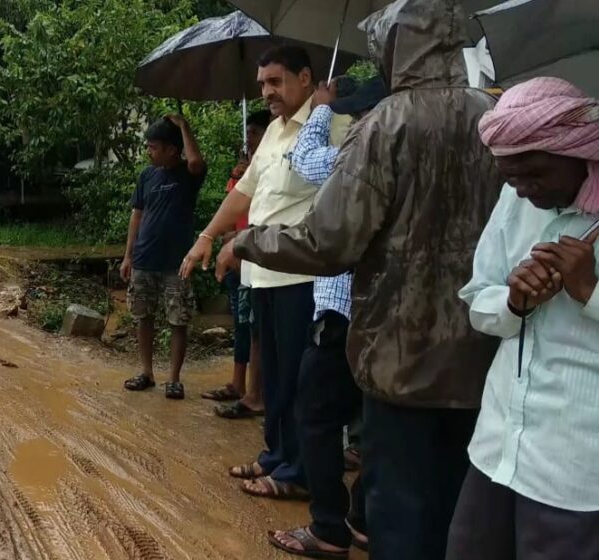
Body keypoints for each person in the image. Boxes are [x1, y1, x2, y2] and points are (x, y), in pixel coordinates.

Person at [211, 1, 504, 558]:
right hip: (479, 355)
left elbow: (329, 241)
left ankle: (342, 531)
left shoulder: (387, 124)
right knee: (457, 507)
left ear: (396, 49)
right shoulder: (494, 118)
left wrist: (246, 241)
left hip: (399, 357)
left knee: (400, 509)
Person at [181, 44, 351, 501]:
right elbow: (246, 194)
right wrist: (208, 236)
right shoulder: (274, 131)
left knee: (300, 379)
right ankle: (277, 454)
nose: (268, 92)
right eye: (262, 84)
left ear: (305, 79)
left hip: (304, 275)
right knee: (273, 375)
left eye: (275, 81)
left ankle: (298, 471)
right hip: (263, 273)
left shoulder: (336, 129)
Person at [448, 77, 599, 560]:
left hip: (575, 467)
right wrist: (515, 300)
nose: (525, 192)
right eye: (511, 179)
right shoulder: (516, 200)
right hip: (498, 444)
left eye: (534, 175)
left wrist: (589, 290)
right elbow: (478, 298)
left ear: (578, 152)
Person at [266, 76, 387, 559]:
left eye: (358, 115)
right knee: (377, 422)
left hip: (340, 313)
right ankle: (361, 520)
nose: (353, 122)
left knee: (315, 416)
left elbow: (303, 157)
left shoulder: (356, 160)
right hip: (384, 317)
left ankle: (328, 527)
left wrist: (320, 107)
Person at [120, 114, 207, 400]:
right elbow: (137, 214)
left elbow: (195, 162)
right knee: (143, 316)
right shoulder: (147, 175)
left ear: (172, 148)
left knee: (177, 319)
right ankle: (146, 372)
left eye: (154, 146)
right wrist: (128, 255)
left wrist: (184, 126)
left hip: (176, 263)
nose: (149, 151)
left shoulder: (187, 174)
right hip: (144, 259)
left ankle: (174, 379)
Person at [203, 109, 271, 421]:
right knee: (242, 324)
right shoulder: (244, 170)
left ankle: (256, 392)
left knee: (256, 327)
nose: (249, 139)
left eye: (255, 132)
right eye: (248, 133)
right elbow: (233, 205)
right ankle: (239, 383)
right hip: (236, 255)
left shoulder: (274, 165)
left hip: (257, 256)